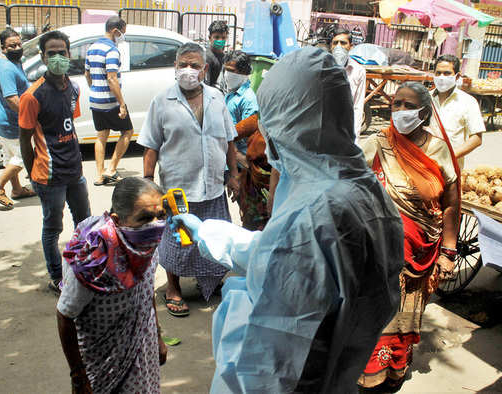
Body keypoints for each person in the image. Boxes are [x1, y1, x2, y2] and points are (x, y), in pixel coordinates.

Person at [171, 46, 404, 393]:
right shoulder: (369, 194)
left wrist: (237, 301)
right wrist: (207, 232)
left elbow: (262, 370)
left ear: (287, 124)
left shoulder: (311, 215)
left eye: (269, 118)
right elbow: (274, 252)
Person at [358, 81, 461, 390]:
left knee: (402, 319)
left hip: (418, 255)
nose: (400, 111)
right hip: (375, 253)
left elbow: (451, 203)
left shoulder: (439, 151)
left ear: (425, 113)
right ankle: (366, 375)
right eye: (396, 104)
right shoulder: (377, 143)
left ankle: (392, 374)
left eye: (408, 105)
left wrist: (448, 251)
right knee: (370, 320)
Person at [137, 42, 239, 317]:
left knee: (214, 236)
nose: (188, 70)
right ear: (175, 67)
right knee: (178, 241)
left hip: (213, 185)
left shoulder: (217, 98)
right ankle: (173, 287)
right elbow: (151, 146)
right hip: (178, 188)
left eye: (195, 65)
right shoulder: (162, 101)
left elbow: (228, 140)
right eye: (183, 65)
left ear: (205, 70)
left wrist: (234, 175)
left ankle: (210, 279)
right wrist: (148, 183)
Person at [57, 177, 168, 394]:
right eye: (145, 218)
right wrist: (78, 376)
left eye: (161, 216)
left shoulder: (145, 244)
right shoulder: (92, 262)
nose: (155, 225)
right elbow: (65, 315)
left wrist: (157, 337)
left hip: (142, 349)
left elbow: (147, 292)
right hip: (102, 361)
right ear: (117, 220)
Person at [19, 30, 92, 294]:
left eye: (62, 52)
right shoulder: (32, 96)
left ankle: (84, 267)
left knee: (85, 222)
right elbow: (25, 140)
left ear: (69, 54)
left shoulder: (73, 87)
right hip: (49, 176)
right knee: (53, 228)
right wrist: (32, 175)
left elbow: (68, 125)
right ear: (42, 57)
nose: (58, 57)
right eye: (52, 54)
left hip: (74, 171)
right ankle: (56, 277)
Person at [0, 28, 35, 208]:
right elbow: (12, 98)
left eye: (19, 44)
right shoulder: (6, 68)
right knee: (22, 157)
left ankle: (17, 189)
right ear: (3, 48)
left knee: (11, 156)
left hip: (5, 119)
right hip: (12, 120)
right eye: (12, 45)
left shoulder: (12, 61)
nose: (17, 47)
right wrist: (30, 118)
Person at [222, 50, 270, 230]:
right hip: (232, 160)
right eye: (226, 70)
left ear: (244, 73)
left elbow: (250, 136)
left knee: (251, 214)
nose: (228, 75)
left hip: (243, 164)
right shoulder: (230, 95)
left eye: (232, 71)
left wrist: (237, 170)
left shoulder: (248, 99)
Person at [85, 16, 133, 186]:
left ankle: (99, 175)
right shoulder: (112, 50)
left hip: (95, 100)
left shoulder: (92, 47)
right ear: (115, 31)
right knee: (127, 131)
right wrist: (121, 103)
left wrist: (95, 89)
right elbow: (112, 78)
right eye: (122, 33)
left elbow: (87, 74)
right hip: (110, 101)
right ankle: (111, 169)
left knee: (101, 136)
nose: (123, 36)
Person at [431, 54, 485, 169]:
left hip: (451, 167)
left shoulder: (468, 102)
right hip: (424, 164)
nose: (441, 77)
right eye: (438, 73)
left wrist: (450, 156)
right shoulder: (425, 98)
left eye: (447, 73)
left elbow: (476, 138)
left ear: (456, 76)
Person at [330, 26, 366, 141]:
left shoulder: (358, 71)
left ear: (350, 46)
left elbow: (357, 107)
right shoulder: (322, 68)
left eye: (343, 43)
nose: (338, 47)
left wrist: (354, 138)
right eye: (335, 43)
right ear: (331, 46)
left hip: (345, 129)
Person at [205, 20, 228, 89]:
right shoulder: (207, 57)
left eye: (223, 38)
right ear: (210, 38)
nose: (220, 40)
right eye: (217, 37)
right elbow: (206, 85)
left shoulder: (224, 57)